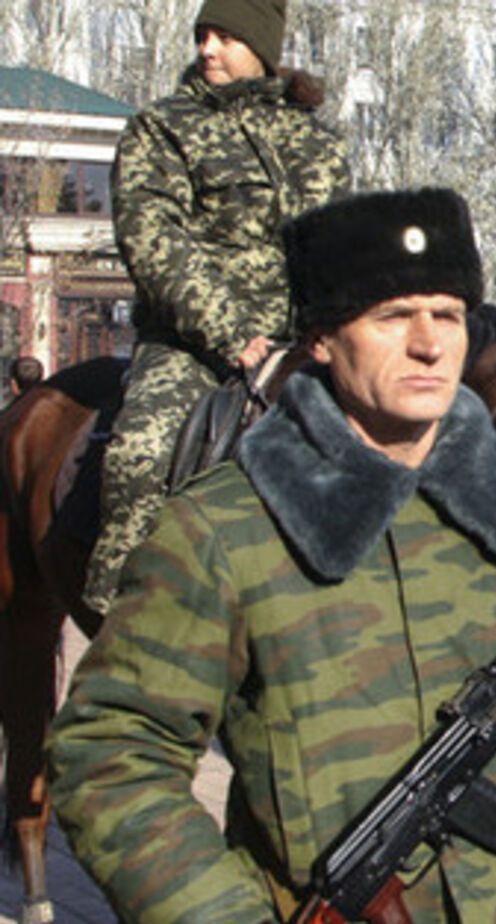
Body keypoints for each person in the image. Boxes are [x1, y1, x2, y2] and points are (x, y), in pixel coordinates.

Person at [48, 189, 496, 922]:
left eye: (448, 315)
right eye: (393, 317)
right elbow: (111, 756)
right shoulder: (226, 530)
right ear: (321, 340)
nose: (430, 344)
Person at [81, 0, 349, 616]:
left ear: (262, 45)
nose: (207, 49)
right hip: (190, 346)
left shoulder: (317, 142)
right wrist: (233, 333)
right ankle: (125, 612)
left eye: (226, 36)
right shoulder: (162, 128)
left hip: (303, 342)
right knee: (141, 452)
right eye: (203, 34)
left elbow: (339, 245)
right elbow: (153, 241)